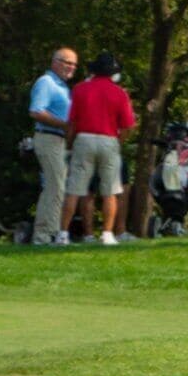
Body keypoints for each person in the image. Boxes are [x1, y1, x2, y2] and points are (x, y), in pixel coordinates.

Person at [65, 55, 136, 245]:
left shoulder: (80, 89)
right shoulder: (119, 93)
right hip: (108, 139)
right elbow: (128, 125)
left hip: (84, 139)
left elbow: (72, 122)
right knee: (110, 190)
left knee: (76, 189)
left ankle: (66, 234)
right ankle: (107, 234)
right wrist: (118, 142)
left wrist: (69, 144)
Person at [25, 47, 78, 247]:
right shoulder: (46, 83)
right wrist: (64, 125)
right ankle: (43, 236)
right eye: (67, 62)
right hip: (48, 138)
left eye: (74, 64)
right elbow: (36, 111)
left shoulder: (63, 87)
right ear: (55, 62)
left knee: (57, 187)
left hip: (59, 140)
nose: (71, 67)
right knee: (55, 186)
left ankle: (52, 233)